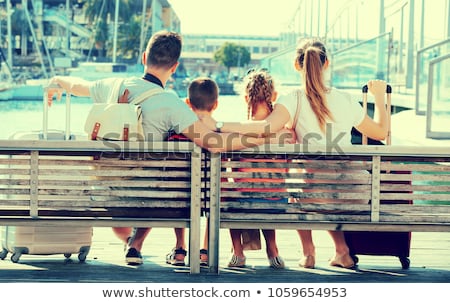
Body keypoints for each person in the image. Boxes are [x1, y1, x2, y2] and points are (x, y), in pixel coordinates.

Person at [46, 30, 283, 266]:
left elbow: (77, 85)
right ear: (175, 67)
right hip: (150, 199)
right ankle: (143, 243)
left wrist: (57, 82)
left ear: (144, 57)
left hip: (104, 195)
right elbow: (214, 143)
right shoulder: (172, 104)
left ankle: (133, 242)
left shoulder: (112, 84)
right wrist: (258, 137)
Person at [200, 37, 388, 269]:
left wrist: (218, 126)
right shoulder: (347, 99)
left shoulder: (293, 99)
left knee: (303, 178)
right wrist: (379, 97)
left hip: (312, 192)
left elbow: (262, 128)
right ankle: (342, 251)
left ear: (296, 65)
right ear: (327, 63)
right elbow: (381, 131)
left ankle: (309, 253)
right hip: (353, 194)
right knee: (322, 178)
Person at [227, 69, 286, 269]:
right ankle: (273, 249)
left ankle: (238, 252)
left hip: (244, 203)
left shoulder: (236, 132)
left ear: (246, 98)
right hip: (276, 203)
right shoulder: (285, 132)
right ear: (274, 96)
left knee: (231, 197)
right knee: (269, 190)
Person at [165, 76, 219, 267]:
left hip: (177, 196)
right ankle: (204, 251)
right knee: (215, 196)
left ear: (188, 103)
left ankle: (180, 249)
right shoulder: (217, 135)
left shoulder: (177, 132)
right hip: (208, 196)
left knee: (178, 188)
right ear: (216, 104)